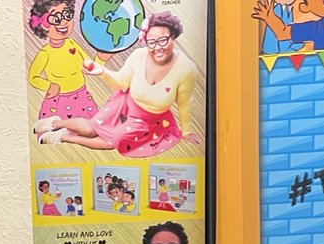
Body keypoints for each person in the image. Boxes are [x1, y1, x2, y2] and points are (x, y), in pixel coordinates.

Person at [35, 11, 201, 158]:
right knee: (91, 130)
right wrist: (101, 71)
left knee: (110, 143)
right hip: (124, 106)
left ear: (173, 36)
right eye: (151, 42)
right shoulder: (139, 55)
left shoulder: (186, 69)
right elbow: (121, 82)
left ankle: (64, 136)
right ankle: (56, 123)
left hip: (149, 120)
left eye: (163, 40)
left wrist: (187, 130)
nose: (157, 47)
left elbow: (184, 102)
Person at [27, 0, 99, 125]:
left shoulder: (72, 44)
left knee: (89, 128)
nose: (64, 21)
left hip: (82, 97)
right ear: (42, 25)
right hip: (58, 101)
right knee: (58, 132)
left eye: (67, 14)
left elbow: (89, 65)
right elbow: (33, 77)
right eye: (56, 19)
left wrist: (101, 58)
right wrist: (49, 86)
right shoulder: (45, 53)